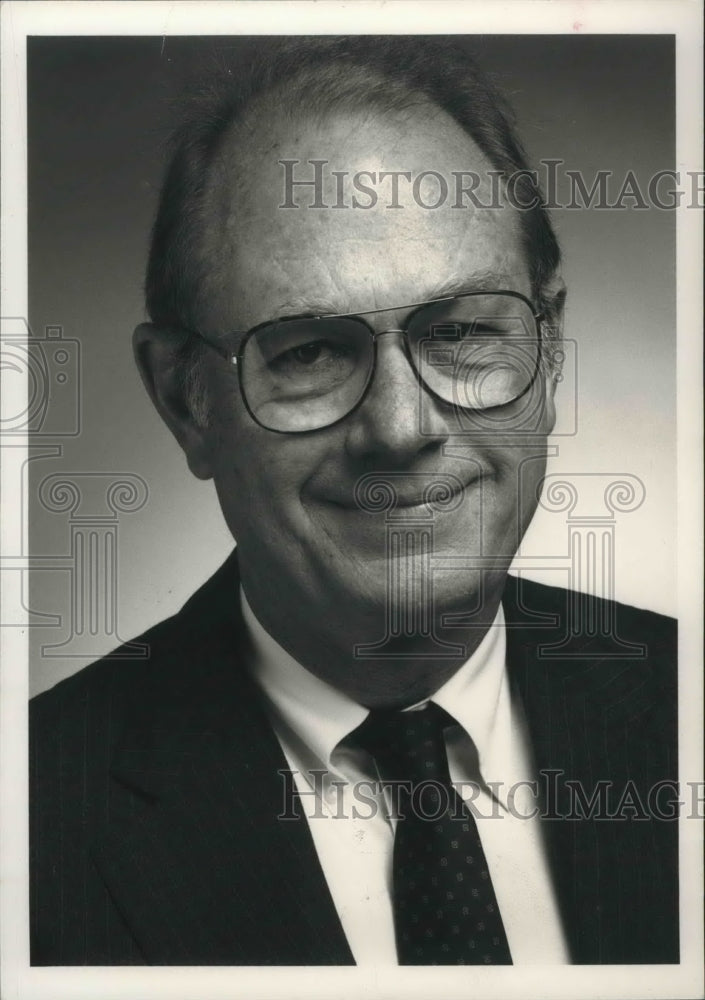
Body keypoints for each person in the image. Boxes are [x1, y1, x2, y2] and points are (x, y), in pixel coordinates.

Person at [29, 36, 678, 966]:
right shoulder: (40, 813)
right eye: (309, 352)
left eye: (458, 330)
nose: (402, 427)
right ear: (185, 400)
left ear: (550, 351)